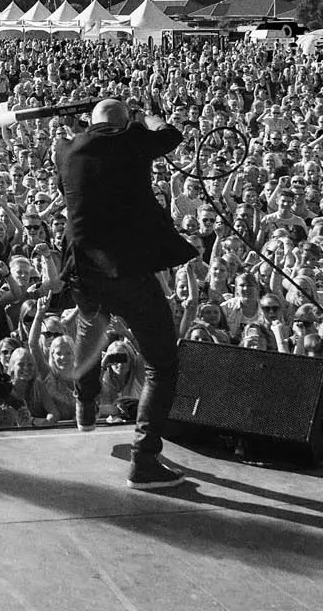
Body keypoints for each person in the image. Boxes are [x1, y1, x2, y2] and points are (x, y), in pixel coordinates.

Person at [56, 98, 197, 489]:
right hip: (127, 272)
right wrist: (145, 115)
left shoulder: (65, 150)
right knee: (161, 366)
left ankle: (85, 401)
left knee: (90, 327)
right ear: (123, 123)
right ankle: (145, 461)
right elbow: (170, 135)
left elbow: (84, 159)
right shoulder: (132, 141)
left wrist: (84, 126)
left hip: (83, 272)